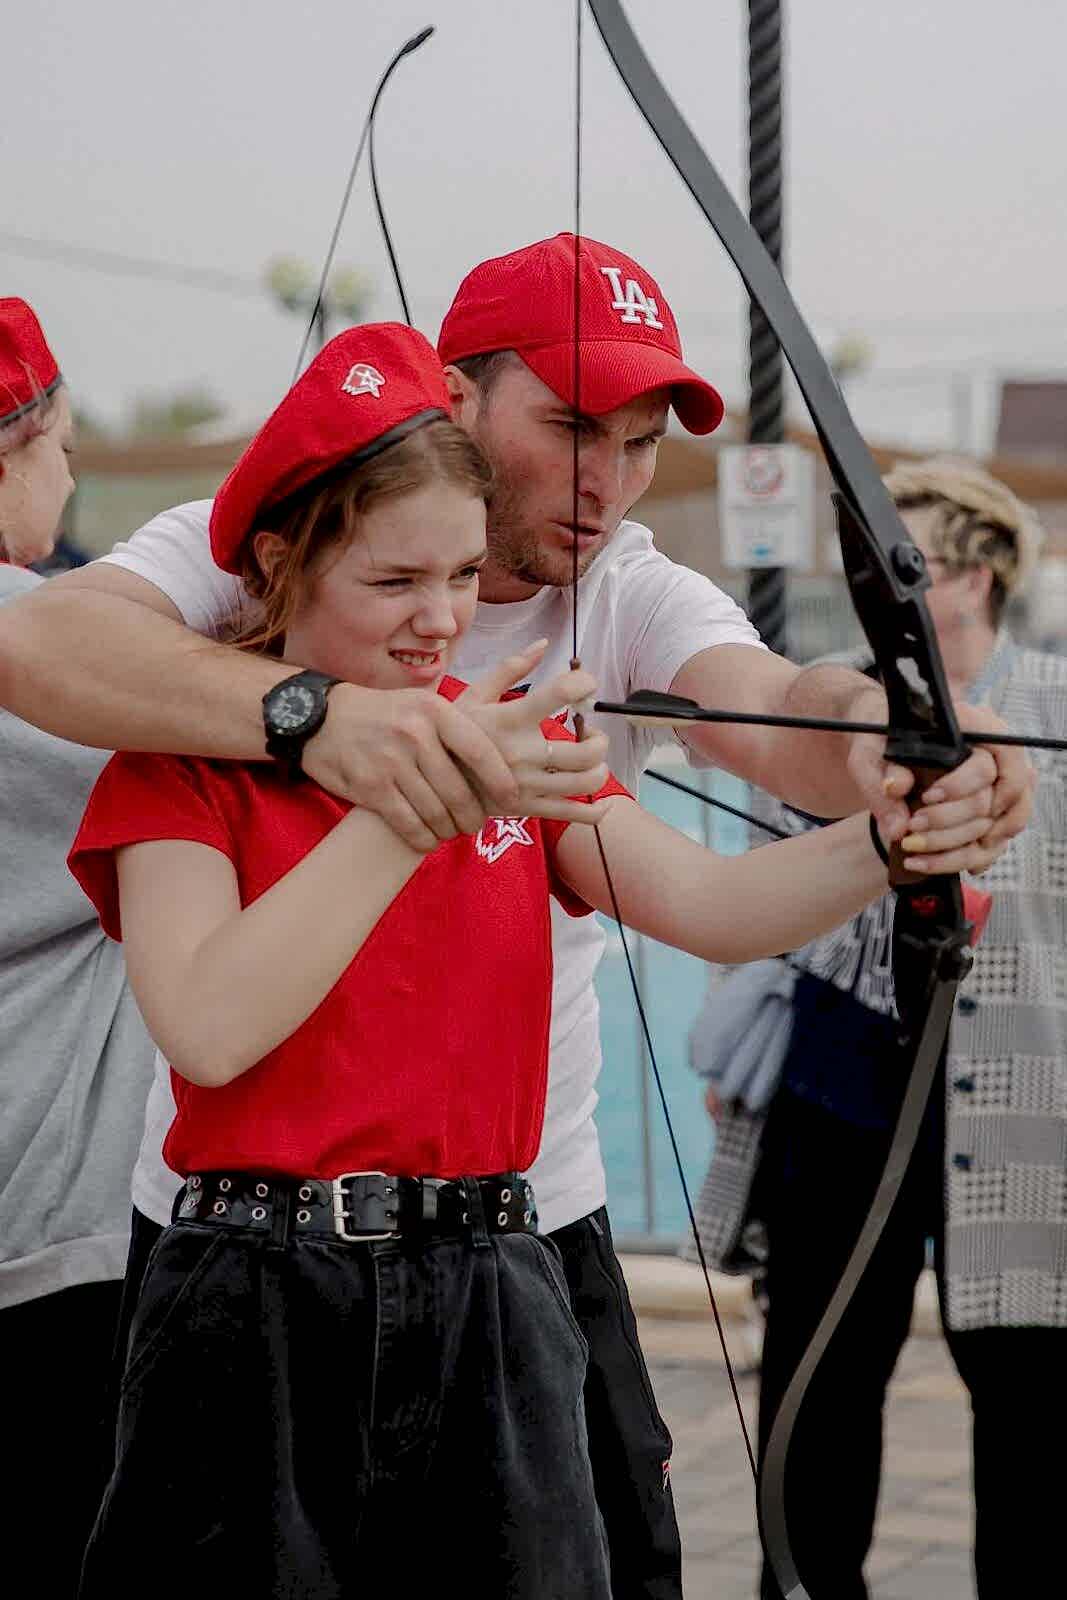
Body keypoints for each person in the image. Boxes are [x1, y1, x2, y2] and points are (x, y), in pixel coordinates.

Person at [0, 237, 1023, 1599]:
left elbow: (731, 841)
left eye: (460, 582)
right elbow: (209, 1020)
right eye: (567, 428)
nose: (445, 622)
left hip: (504, 1255)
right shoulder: (200, 708)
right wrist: (373, 764)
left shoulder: (536, 708)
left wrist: (890, 815)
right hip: (251, 1277)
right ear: (279, 573)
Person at [696, 460, 1065, 1599]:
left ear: (973, 570)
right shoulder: (820, 712)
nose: (875, 592)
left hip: (1016, 1092)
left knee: (1031, 1409)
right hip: (836, 1087)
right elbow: (754, 894)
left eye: (900, 566)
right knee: (815, 1389)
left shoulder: (1051, 703)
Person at [0, 298, 156, 1590]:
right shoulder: (42, 654)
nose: (69, 479)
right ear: (20, 443)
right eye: (60, 448)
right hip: (44, 1243)